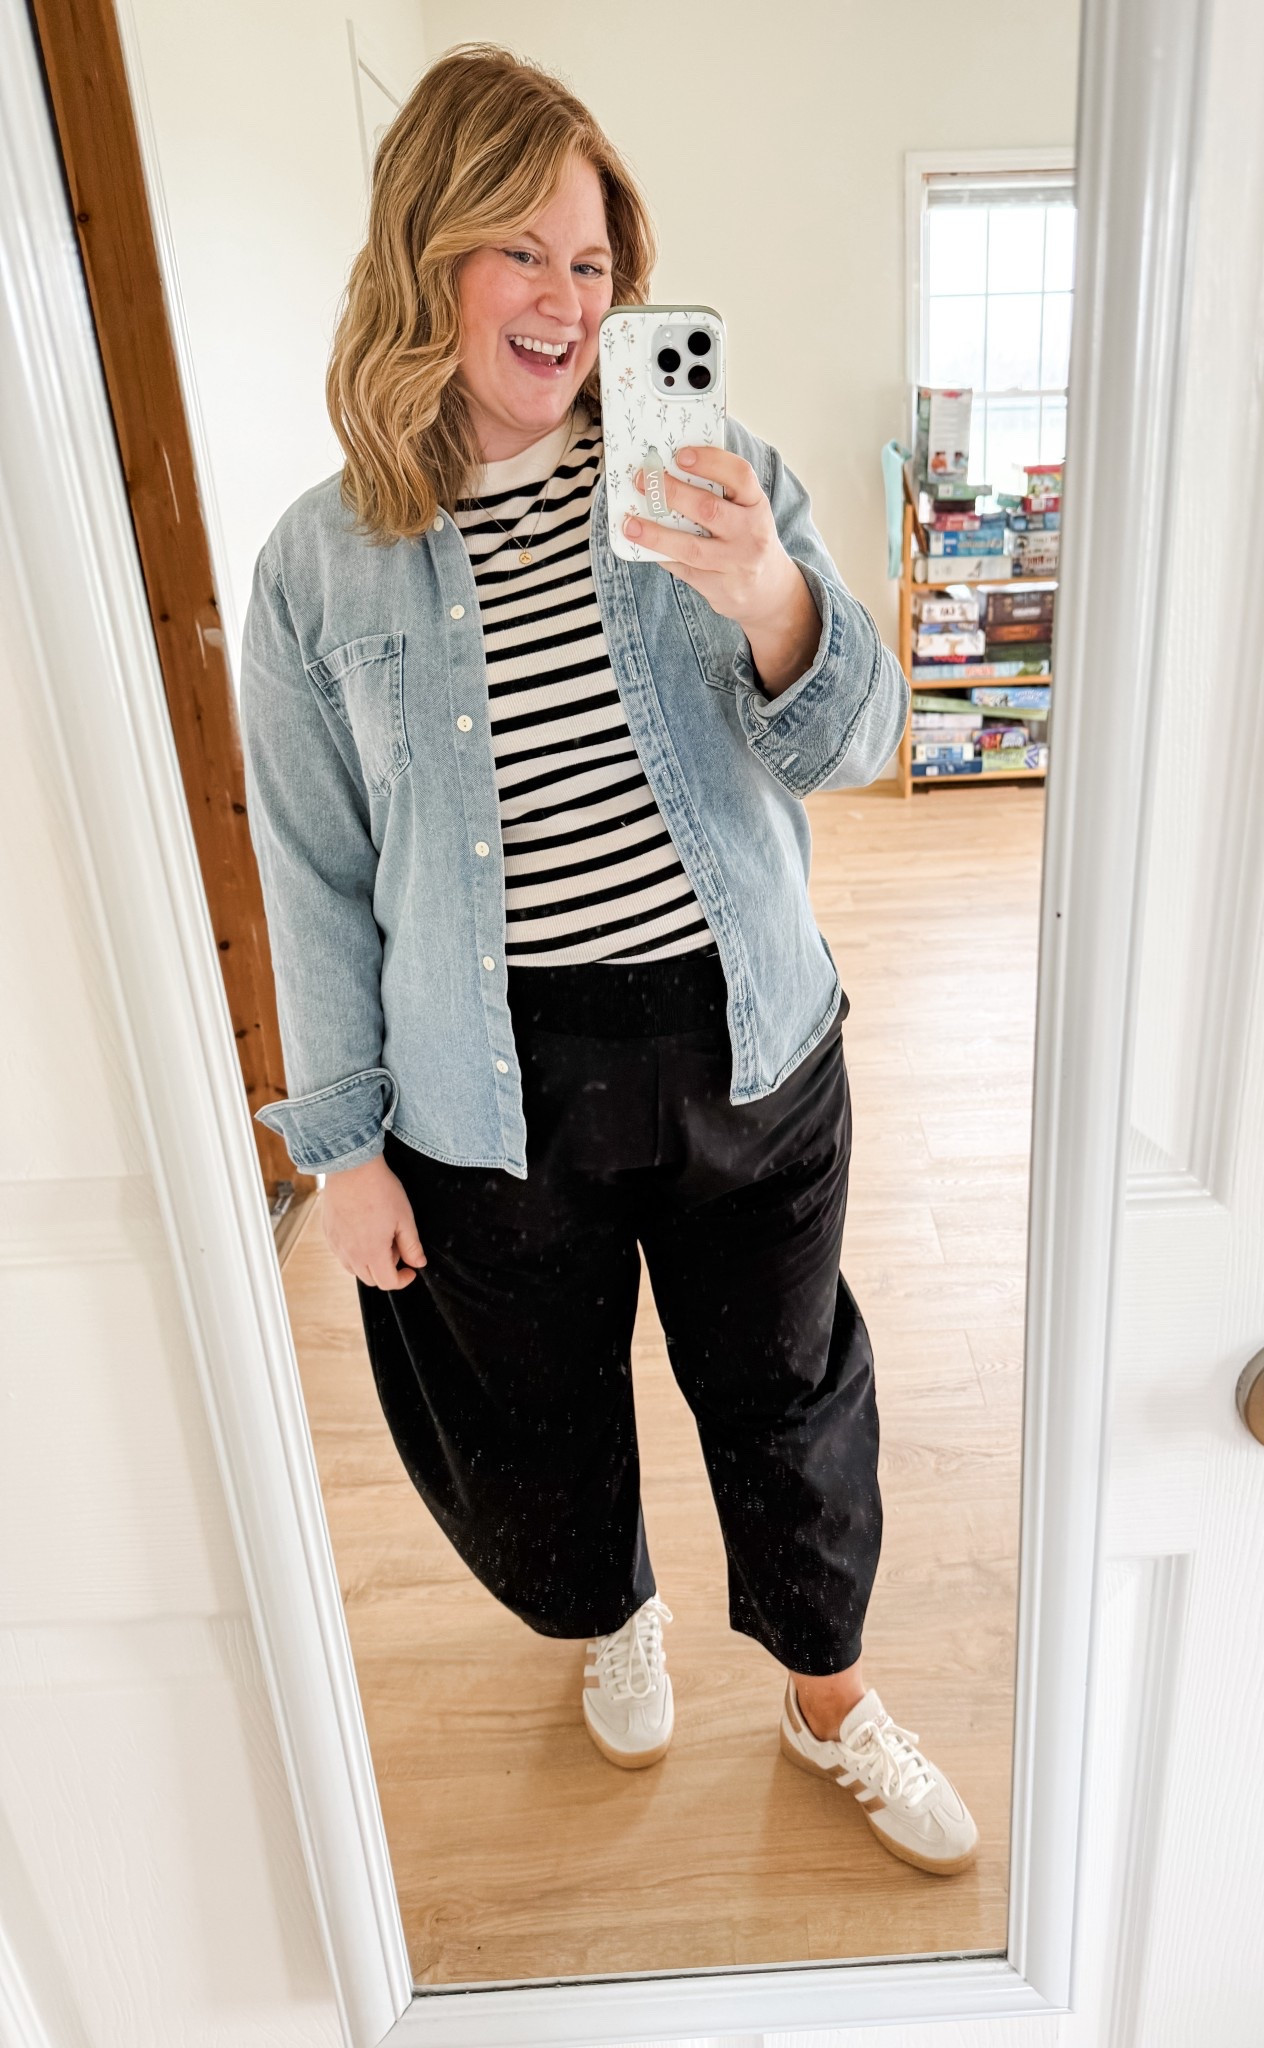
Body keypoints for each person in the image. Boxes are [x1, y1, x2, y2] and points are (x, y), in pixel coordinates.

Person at [240, 42, 977, 1877]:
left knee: (789, 1394)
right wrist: (338, 1145)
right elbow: (315, 871)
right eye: (520, 252)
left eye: (594, 262)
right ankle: (621, 1607)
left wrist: (775, 601)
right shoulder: (318, 568)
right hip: (490, 1083)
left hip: (748, 1036)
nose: (568, 304)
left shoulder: (714, 478)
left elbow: (851, 742)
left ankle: (827, 1702)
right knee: (539, 1417)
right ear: (426, 259)